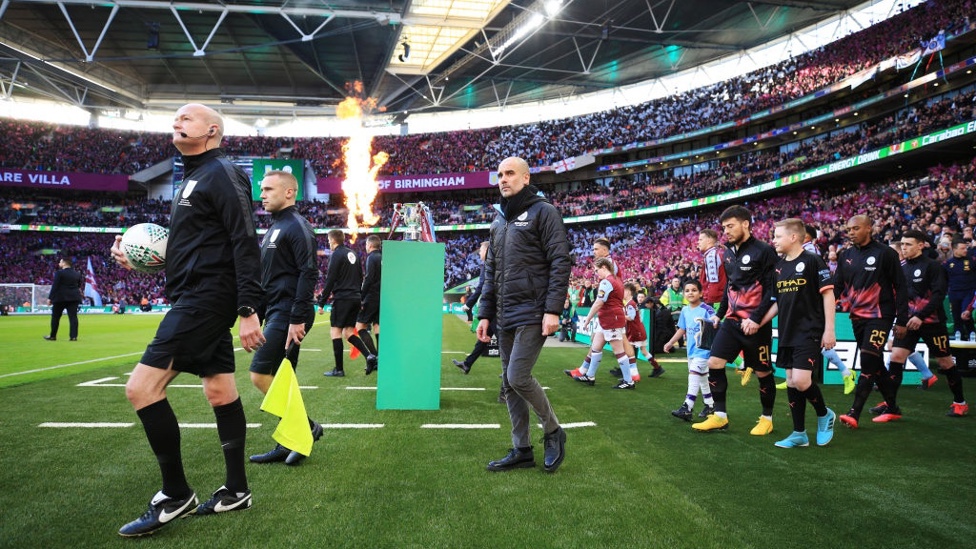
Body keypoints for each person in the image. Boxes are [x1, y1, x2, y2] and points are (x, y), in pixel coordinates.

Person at [111, 103, 264, 537]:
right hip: (196, 293)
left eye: (187, 118)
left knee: (141, 388)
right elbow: (199, 246)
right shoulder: (191, 177)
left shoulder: (222, 172)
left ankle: (175, 494)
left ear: (212, 130)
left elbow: (243, 238)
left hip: (206, 299)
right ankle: (237, 490)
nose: (177, 122)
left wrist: (249, 309)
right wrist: (141, 259)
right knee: (219, 391)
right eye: (175, 118)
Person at [479, 156, 569, 473]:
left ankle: (554, 431)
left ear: (526, 178)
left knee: (518, 376)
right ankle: (522, 449)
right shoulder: (498, 222)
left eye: (510, 173)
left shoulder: (544, 213)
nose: (503, 179)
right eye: (500, 174)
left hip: (533, 310)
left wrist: (553, 309)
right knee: (508, 383)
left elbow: (560, 261)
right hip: (504, 313)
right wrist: (485, 313)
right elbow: (490, 271)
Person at [247, 170, 324, 466]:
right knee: (282, 379)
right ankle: (289, 439)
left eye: (268, 189)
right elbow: (270, 280)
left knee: (260, 374)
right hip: (277, 310)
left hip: (291, 311)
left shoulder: (297, 226)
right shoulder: (274, 228)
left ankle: (305, 426)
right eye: (261, 189)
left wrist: (296, 318)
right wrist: (258, 315)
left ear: (290, 192)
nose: (262, 194)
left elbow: (309, 272)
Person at [694, 205, 779, 435]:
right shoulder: (728, 252)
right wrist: (719, 314)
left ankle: (766, 418)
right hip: (731, 322)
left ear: (746, 224)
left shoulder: (765, 251)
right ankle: (720, 416)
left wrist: (756, 319)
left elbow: (772, 290)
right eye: (723, 227)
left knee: (763, 372)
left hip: (755, 324)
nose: (726, 231)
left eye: (730, 226)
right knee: (714, 363)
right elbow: (730, 288)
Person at [870, 230, 968, 419]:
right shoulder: (901, 267)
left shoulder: (933, 267)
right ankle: (890, 404)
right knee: (896, 356)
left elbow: (939, 295)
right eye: (903, 244)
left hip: (932, 322)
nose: (904, 247)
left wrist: (921, 316)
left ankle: (960, 402)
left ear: (921, 245)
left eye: (908, 244)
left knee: (945, 361)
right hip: (907, 322)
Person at [766, 219, 837, 448]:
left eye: (777, 236)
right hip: (786, 331)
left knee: (801, 380)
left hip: (809, 330)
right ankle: (799, 434)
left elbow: (828, 295)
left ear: (794, 237)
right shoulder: (778, 267)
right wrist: (758, 322)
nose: (774, 240)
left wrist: (829, 330)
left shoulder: (813, 260)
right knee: (790, 381)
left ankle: (824, 414)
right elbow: (777, 303)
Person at [835, 215, 910, 429]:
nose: (851, 233)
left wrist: (901, 320)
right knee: (875, 364)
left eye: (856, 228)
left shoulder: (885, 253)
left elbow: (901, 287)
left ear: (869, 228)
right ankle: (893, 408)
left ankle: (854, 413)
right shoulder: (845, 255)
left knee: (867, 361)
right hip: (857, 317)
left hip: (880, 317)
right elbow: (837, 285)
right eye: (848, 229)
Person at [318, 229, 375, 377]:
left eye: (329, 240)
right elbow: (360, 276)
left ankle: (339, 369)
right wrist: (359, 297)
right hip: (355, 297)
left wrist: (322, 302)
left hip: (343, 298)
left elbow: (330, 279)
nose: (329, 243)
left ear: (333, 240)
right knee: (348, 332)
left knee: (335, 331)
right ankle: (370, 356)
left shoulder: (336, 254)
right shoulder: (353, 253)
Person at [573, 257, 636, 389]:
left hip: (611, 319)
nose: (596, 274)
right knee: (596, 346)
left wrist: (589, 318)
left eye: (597, 270)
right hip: (608, 319)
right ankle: (590, 375)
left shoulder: (607, 282)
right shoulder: (617, 280)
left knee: (618, 350)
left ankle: (628, 380)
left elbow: (599, 302)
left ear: (604, 267)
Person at [664, 280, 717, 421]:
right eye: (687, 290)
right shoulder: (685, 310)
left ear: (700, 293)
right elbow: (682, 329)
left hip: (704, 350)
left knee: (694, 375)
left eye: (694, 290)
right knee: (702, 378)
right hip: (691, 351)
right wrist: (670, 342)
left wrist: (714, 321)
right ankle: (710, 405)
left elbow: (715, 322)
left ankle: (687, 407)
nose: (690, 293)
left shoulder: (707, 309)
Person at [355, 234, 382, 374]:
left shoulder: (372, 257)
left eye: (366, 244)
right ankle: (382, 359)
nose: (365, 247)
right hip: (381, 297)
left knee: (360, 327)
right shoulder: (383, 257)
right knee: (377, 326)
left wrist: (361, 296)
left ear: (370, 245)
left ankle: (375, 357)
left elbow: (369, 278)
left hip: (371, 297)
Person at [44, 257, 83, 341]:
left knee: (55, 317)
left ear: (64, 263)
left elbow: (55, 286)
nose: (59, 263)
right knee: (73, 317)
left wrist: (50, 298)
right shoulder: (77, 274)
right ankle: (73, 337)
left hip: (60, 298)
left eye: (60, 262)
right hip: (74, 297)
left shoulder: (59, 273)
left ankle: (53, 336)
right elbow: (79, 285)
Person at [944, 238, 976, 338]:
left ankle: (971, 331)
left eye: (965, 248)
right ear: (954, 250)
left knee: (965, 312)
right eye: (962, 248)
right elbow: (944, 279)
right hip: (954, 292)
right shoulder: (947, 263)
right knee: (956, 314)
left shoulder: (972, 261)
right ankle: (958, 332)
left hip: (969, 291)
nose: (965, 250)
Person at [698, 229, 726, 308]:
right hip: (719, 299)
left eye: (700, 239)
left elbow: (714, 284)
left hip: (715, 301)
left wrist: (709, 301)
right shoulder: (717, 253)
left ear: (709, 241)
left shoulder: (711, 256)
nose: (698, 242)